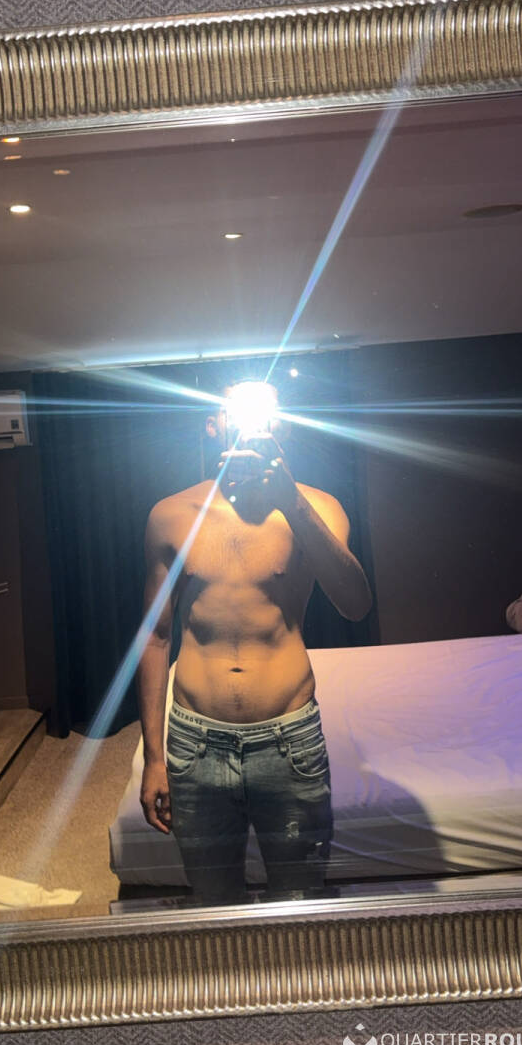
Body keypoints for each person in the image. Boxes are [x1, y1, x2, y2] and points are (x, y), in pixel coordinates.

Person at [136, 380, 372, 905]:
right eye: (235, 411)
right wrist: (154, 756)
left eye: (264, 412)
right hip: (195, 743)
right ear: (212, 425)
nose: (249, 424)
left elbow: (356, 604)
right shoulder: (171, 515)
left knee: (299, 899)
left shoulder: (319, 507)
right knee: (213, 902)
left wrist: (290, 500)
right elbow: (154, 637)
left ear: (281, 425)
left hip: (290, 740)